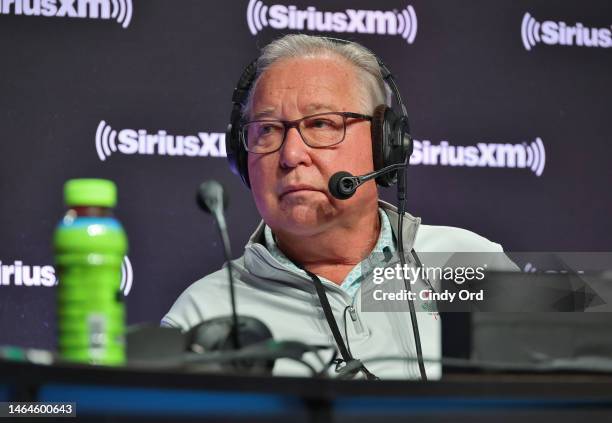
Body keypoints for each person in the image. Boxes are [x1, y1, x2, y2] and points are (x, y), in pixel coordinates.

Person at [162, 34, 509, 379]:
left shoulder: (475, 263)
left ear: (384, 143)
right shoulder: (202, 315)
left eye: (321, 124)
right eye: (267, 129)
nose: (291, 155)